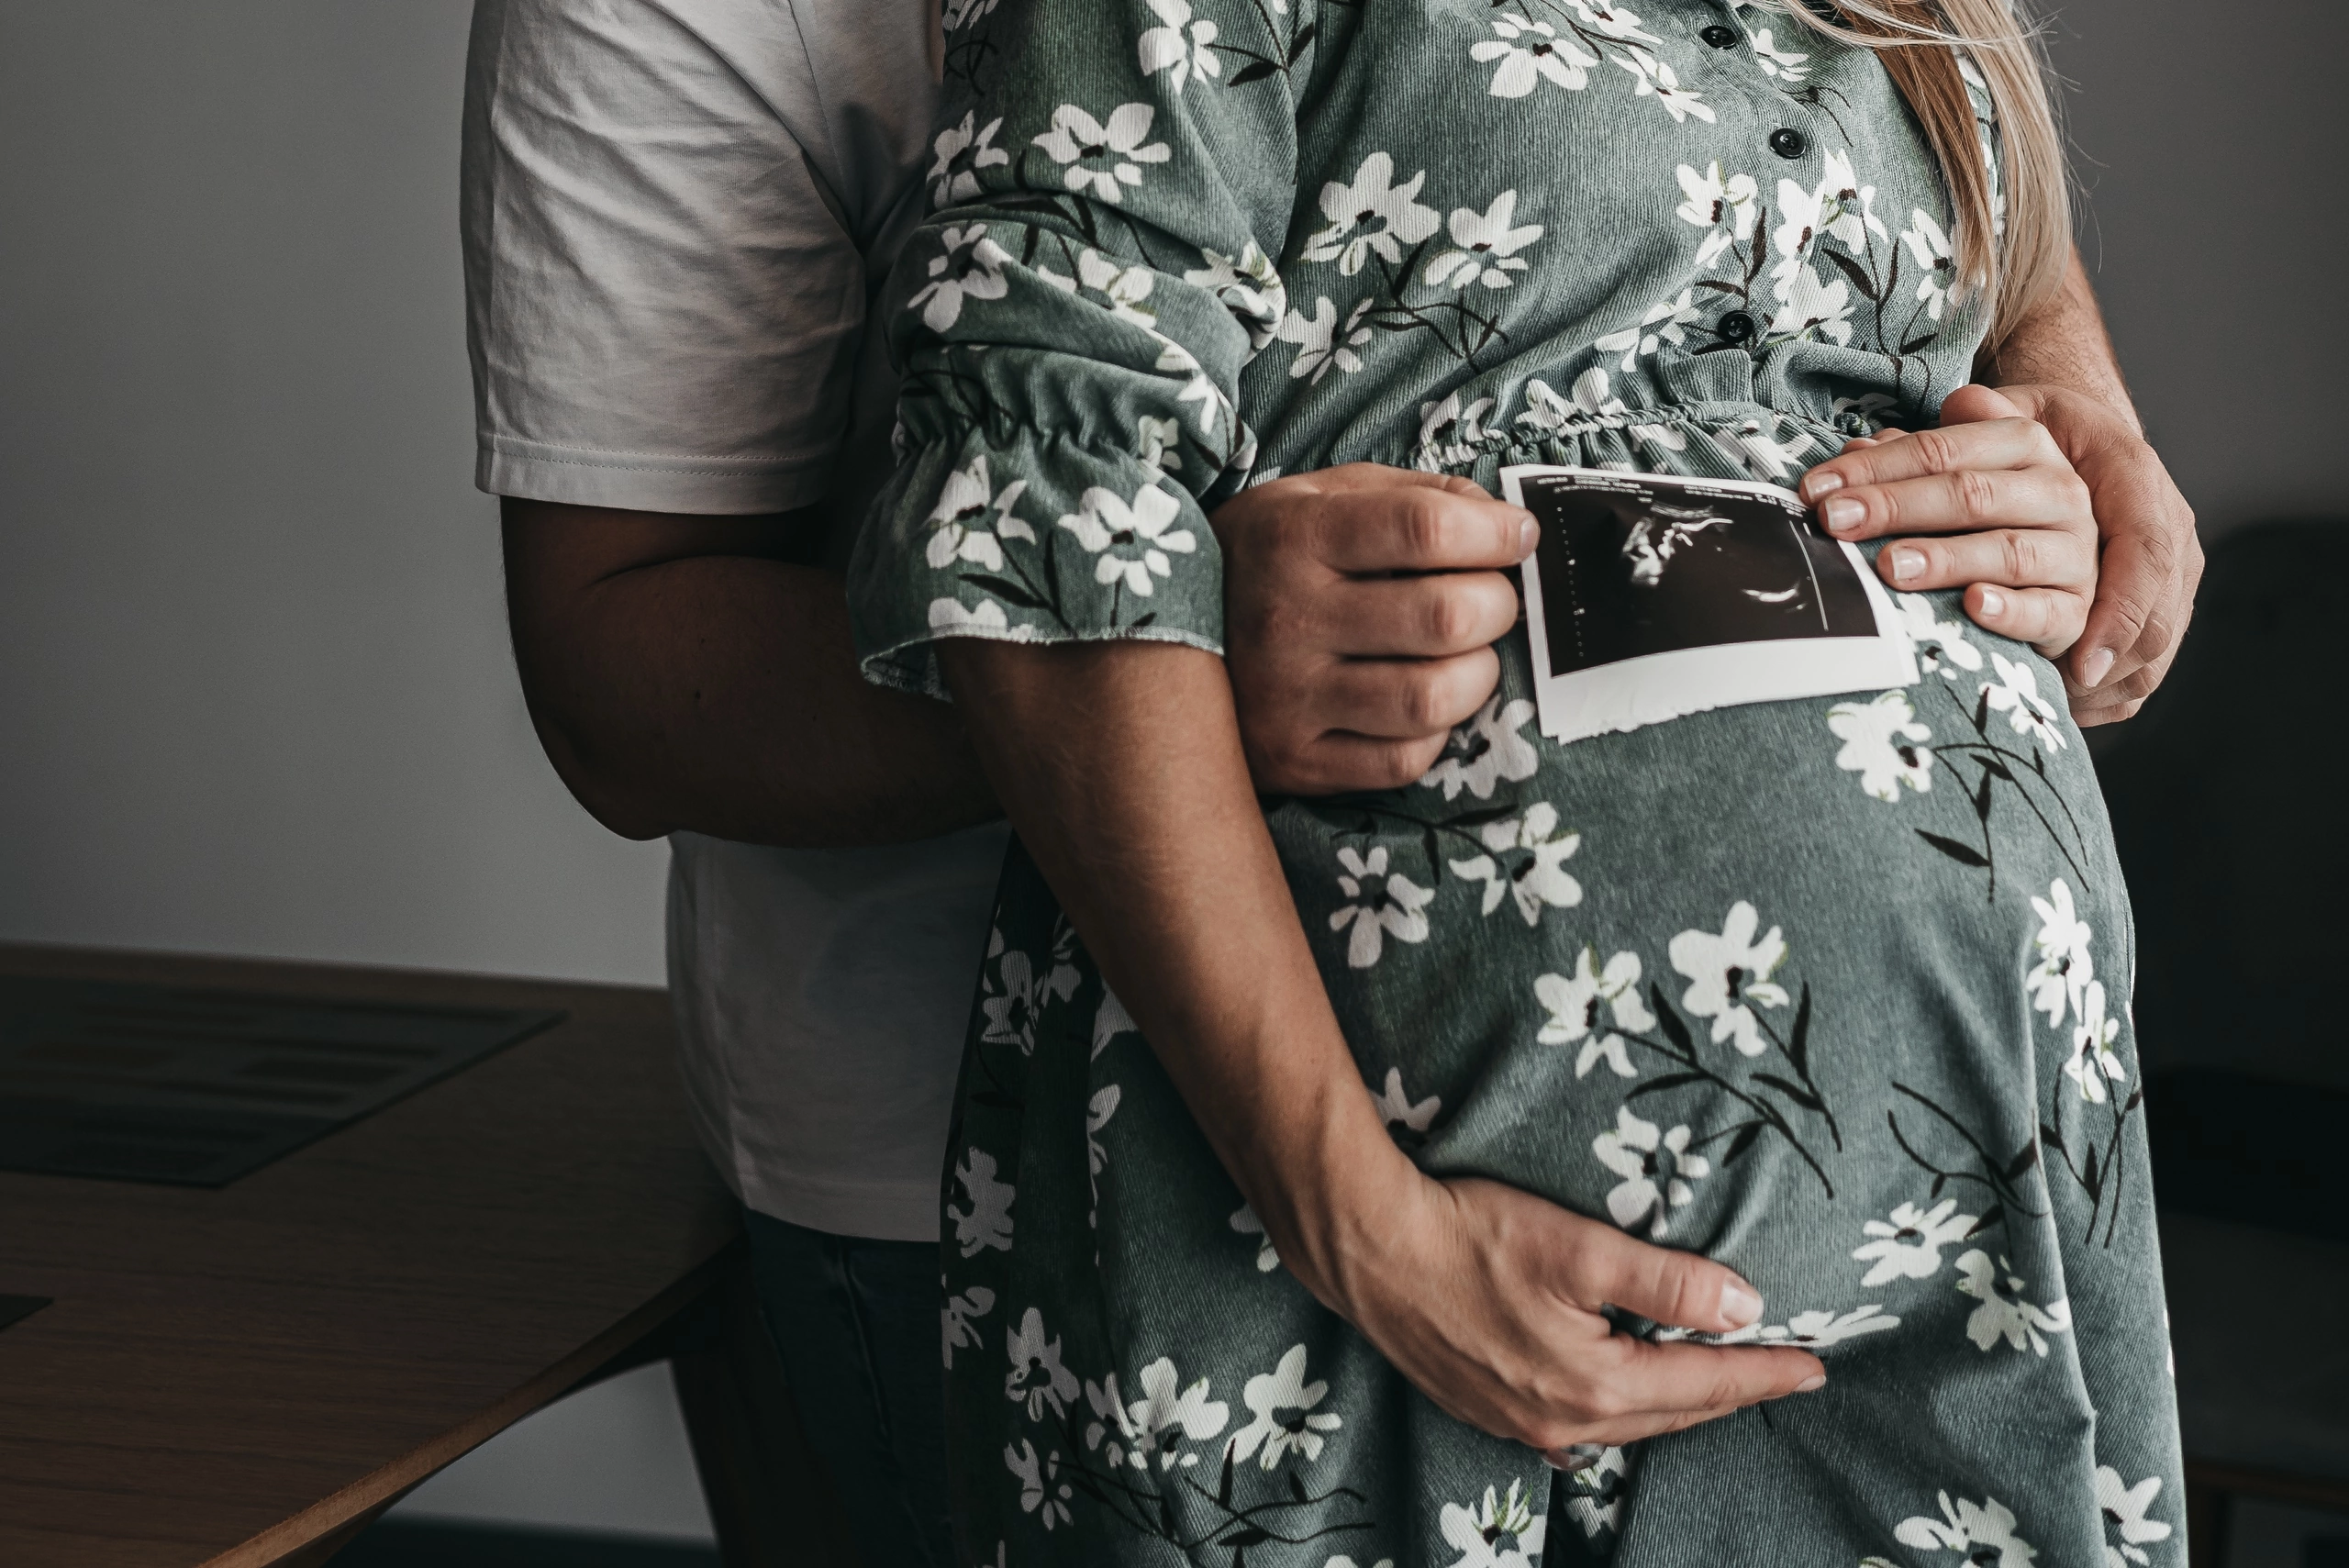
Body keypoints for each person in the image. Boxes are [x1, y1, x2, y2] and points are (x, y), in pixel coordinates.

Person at [461, 0, 2191, 1562]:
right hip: (1211, 1204)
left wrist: (2068, 413)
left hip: (1971, 1242)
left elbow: (1904, 160)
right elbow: (642, 665)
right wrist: (1173, 640)